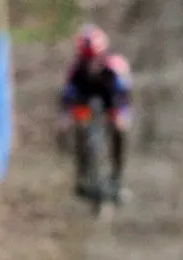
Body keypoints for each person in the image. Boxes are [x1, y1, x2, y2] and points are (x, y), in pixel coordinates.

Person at [59, 24, 133, 203]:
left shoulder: (114, 68)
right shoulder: (76, 70)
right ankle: (82, 174)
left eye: (94, 58)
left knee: (119, 130)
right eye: (87, 59)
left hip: (111, 100)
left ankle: (117, 176)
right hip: (84, 99)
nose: (91, 64)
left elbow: (123, 95)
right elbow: (68, 95)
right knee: (79, 128)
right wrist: (65, 117)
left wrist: (121, 116)